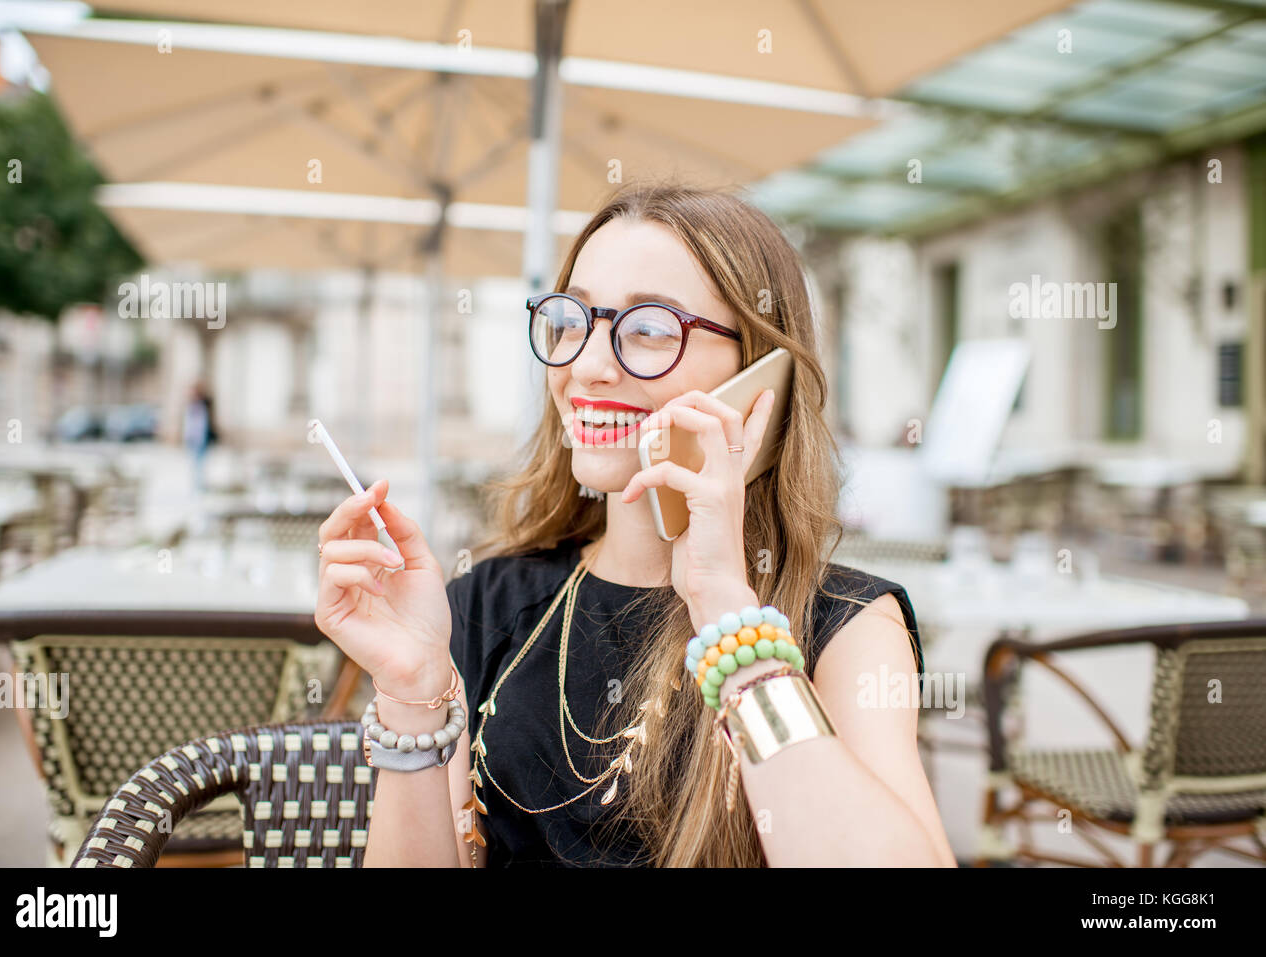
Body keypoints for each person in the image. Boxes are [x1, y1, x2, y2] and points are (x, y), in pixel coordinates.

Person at [314, 181, 957, 868]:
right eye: (572, 320)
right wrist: (413, 696)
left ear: (761, 375)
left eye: (649, 328)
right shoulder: (484, 604)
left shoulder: (848, 625)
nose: (588, 366)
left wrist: (726, 609)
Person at [182, 382, 216, 492]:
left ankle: (199, 485)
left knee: (199, 463)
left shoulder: (202, 406)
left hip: (201, 439)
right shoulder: (191, 405)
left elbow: (201, 424)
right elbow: (188, 424)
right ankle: (196, 485)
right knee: (195, 463)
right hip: (193, 439)